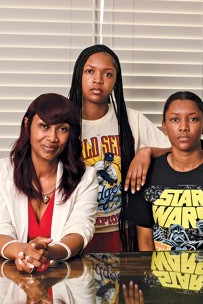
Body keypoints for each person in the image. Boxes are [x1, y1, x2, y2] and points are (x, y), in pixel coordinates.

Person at [68, 44, 170, 253]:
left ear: (116, 81)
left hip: (121, 230)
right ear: (79, 75)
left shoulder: (132, 120)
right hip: (73, 232)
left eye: (107, 74)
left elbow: (179, 151)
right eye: (90, 71)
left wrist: (147, 152)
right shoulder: (64, 122)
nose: (98, 80)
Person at [0, 93, 98, 272]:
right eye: (44, 126)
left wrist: (49, 253)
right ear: (27, 125)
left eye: (62, 129)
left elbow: (80, 230)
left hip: (63, 281)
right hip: (12, 281)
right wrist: (23, 251)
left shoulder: (86, 177)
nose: (53, 137)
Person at [127, 91, 203, 251]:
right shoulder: (146, 173)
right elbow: (145, 246)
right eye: (175, 120)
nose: (184, 127)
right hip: (158, 273)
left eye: (193, 119)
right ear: (164, 127)